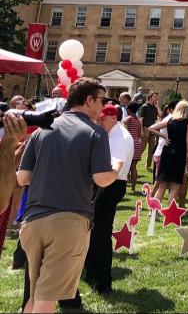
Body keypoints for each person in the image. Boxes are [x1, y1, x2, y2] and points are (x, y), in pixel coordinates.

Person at [17, 78, 120, 313]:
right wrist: (116, 168)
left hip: (32, 222)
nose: (103, 106)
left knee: (34, 296)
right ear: (89, 100)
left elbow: (22, 178)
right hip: (68, 222)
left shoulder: (42, 130)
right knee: (46, 300)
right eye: (101, 100)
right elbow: (102, 179)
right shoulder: (96, 133)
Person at [84, 104, 134, 294]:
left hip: (111, 184)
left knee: (101, 232)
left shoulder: (121, 137)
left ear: (113, 117)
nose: (99, 121)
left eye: (102, 118)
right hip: (103, 182)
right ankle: (92, 272)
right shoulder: (110, 133)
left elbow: (114, 168)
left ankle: (103, 280)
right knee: (94, 229)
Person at [149, 100, 188, 204]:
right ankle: (170, 213)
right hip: (179, 153)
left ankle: (153, 212)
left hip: (167, 152)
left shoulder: (170, 120)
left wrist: (163, 136)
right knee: (175, 186)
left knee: (162, 185)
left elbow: (151, 128)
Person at [124, 101, 143, 192]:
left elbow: (125, 132)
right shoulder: (138, 121)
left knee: (127, 166)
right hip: (137, 143)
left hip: (129, 143)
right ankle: (133, 188)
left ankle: (124, 185)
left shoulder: (128, 119)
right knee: (133, 167)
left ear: (129, 109)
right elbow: (139, 135)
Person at [139, 91, 160, 166]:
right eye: (154, 96)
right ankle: (133, 162)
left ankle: (148, 165)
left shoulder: (155, 107)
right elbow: (141, 119)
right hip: (145, 128)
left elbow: (160, 115)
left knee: (152, 149)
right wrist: (141, 130)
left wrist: (157, 106)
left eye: (156, 97)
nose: (156, 98)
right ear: (150, 97)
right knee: (142, 147)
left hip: (153, 129)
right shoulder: (144, 106)